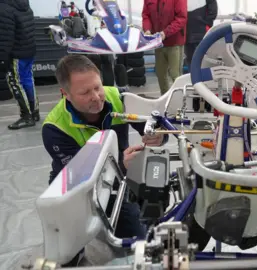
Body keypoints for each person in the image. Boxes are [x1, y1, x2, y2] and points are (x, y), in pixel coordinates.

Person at [41, 55, 168, 266]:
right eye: (85, 92)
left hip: (118, 180)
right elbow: (82, 176)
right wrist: (122, 166)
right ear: (65, 94)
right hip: (71, 183)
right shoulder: (55, 128)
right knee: (67, 255)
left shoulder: (119, 97)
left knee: (139, 241)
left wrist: (158, 135)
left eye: (97, 87)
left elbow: (159, 129)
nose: (96, 97)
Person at [0, 0, 38, 130]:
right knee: (28, 80)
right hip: (28, 50)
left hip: (16, 54)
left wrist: (2, 59)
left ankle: (26, 116)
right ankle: (34, 112)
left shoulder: (4, 8)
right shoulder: (24, 4)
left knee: (15, 83)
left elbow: (5, 37)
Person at [142, 0, 187, 95]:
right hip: (158, 42)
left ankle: (179, 102)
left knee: (175, 75)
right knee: (160, 74)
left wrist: (165, 33)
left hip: (174, 42)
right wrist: (147, 29)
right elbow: (146, 15)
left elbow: (181, 18)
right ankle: (165, 99)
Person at [185, 0, 218, 73]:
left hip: (201, 32)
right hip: (187, 32)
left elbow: (213, 11)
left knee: (203, 59)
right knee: (191, 59)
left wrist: (206, 23)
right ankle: (193, 80)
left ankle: (200, 81)